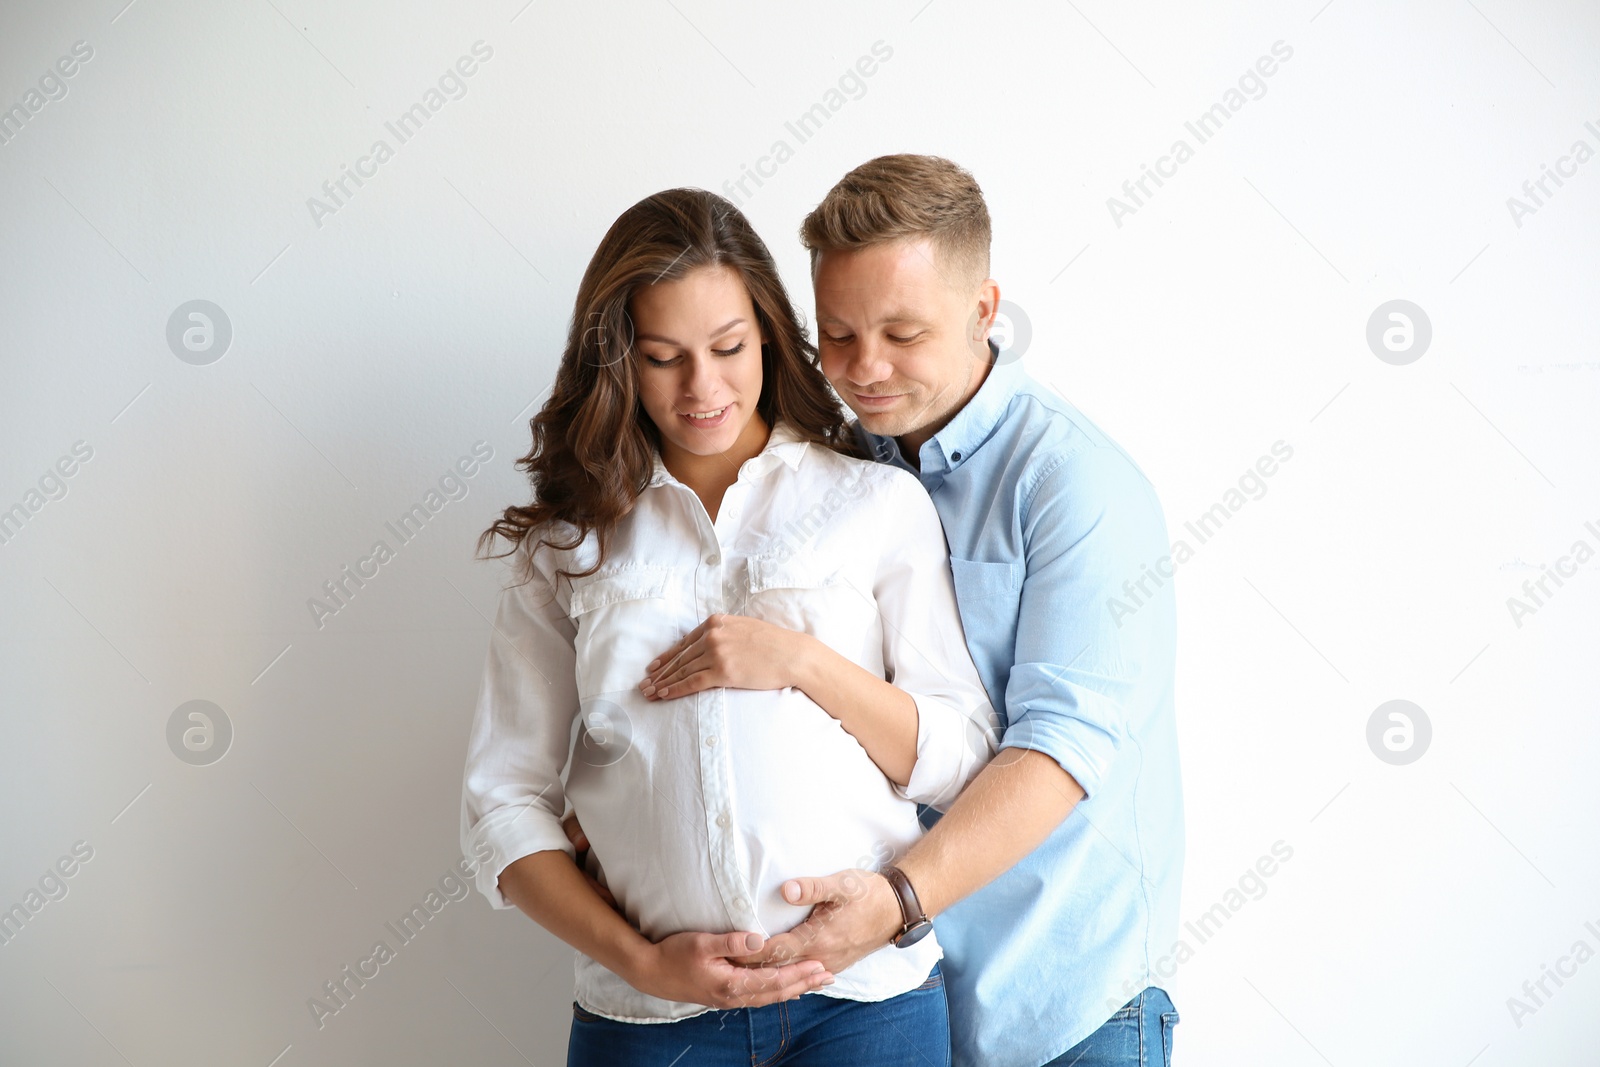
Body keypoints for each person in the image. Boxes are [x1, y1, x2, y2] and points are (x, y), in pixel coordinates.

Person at [458, 187, 997, 1066]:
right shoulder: (569, 545)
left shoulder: (873, 503)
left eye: (728, 348)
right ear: (618, 360)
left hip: (863, 1006)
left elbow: (959, 750)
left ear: (772, 335)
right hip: (647, 1019)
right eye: (664, 356)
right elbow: (501, 802)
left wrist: (800, 662)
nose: (702, 388)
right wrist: (642, 961)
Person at [723, 155, 1187, 1067]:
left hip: (1067, 1006)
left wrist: (895, 902)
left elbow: (1061, 744)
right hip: (887, 1008)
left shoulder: (1075, 482)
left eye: (903, 332)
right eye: (839, 335)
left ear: (986, 310)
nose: (865, 368)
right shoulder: (833, 473)